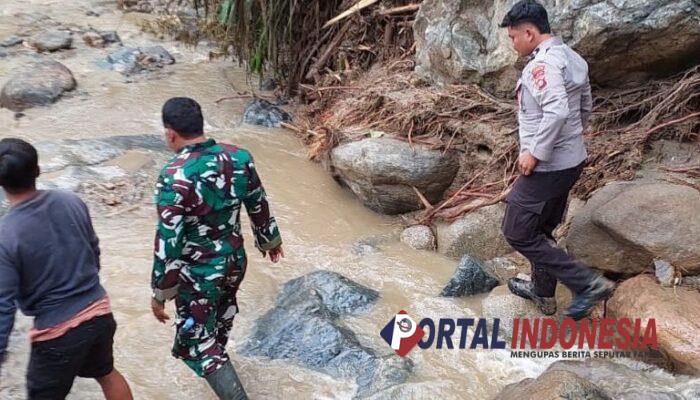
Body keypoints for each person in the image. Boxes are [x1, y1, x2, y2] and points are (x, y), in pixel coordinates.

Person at [150, 97, 284, 399]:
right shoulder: (239, 157)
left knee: (196, 343)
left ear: (170, 133)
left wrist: (161, 292)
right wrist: (269, 240)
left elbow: (168, 241)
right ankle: (220, 374)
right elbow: (257, 202)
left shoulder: (173, 175)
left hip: (198, 273)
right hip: (234, 262)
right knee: (218, 325)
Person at [499, 0, 614, 320]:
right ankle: (543, 292)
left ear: (530, 33)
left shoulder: (542, 66)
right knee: (542, 227)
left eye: (513, 38)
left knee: (517, 231)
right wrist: (572, 140)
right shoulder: (572, 58)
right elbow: (584, 107)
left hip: (548, 164)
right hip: (570, 158)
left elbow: (558, 110)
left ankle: (586, 284)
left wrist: (535, 152)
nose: (513, 44)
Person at [0, 138, 133, 400]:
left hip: (57, 334)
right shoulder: (70, 201)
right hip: (99, 312)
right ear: (37, 170)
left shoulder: (6, 235)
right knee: (107, 373)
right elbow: (94, 251)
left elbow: (3, 305)